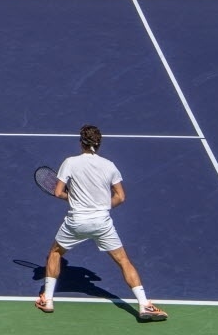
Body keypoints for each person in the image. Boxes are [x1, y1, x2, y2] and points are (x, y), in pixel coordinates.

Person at [35, 125, 167, 322]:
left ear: (81, 143)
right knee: (123, 261)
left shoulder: (70, 162)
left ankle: (48, 300)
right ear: (99, 143)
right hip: (102, 223)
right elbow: (120, 197)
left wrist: (72, 198)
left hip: (76, 222)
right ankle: (144, 305)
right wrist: (102, 206)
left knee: (55, 253)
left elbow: (57, 192)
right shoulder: (110, 165)